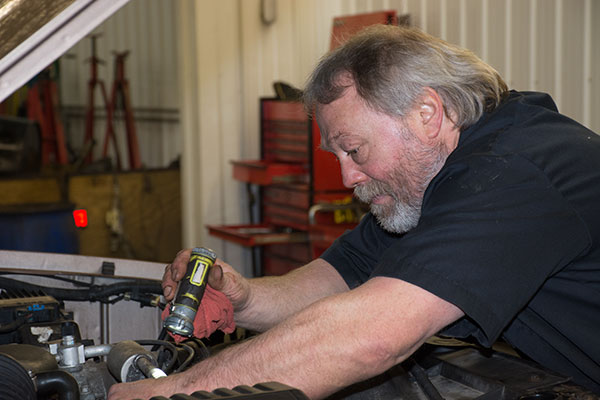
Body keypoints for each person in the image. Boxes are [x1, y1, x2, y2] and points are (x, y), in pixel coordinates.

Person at [108, 25, 600, 399]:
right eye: (337, 156)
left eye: (355, 150)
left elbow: (373, 335)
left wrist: (172, 392)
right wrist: (245, 299)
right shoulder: (433, 183)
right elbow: (343, 274)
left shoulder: (514, 172)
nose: (348, 178)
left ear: (426, 114)